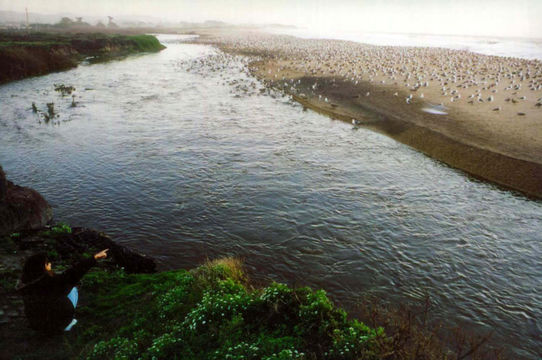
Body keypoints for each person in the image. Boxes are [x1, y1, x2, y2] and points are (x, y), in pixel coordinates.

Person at [18, 249, 109, 334]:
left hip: (37, 327)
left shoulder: (25, 287)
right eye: (47, 264)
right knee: (73, 290)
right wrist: (95, 258)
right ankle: (69, 324)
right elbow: (74, 272)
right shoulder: (54, 283)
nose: (50, 265)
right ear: (43, 267)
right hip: (59, 326)